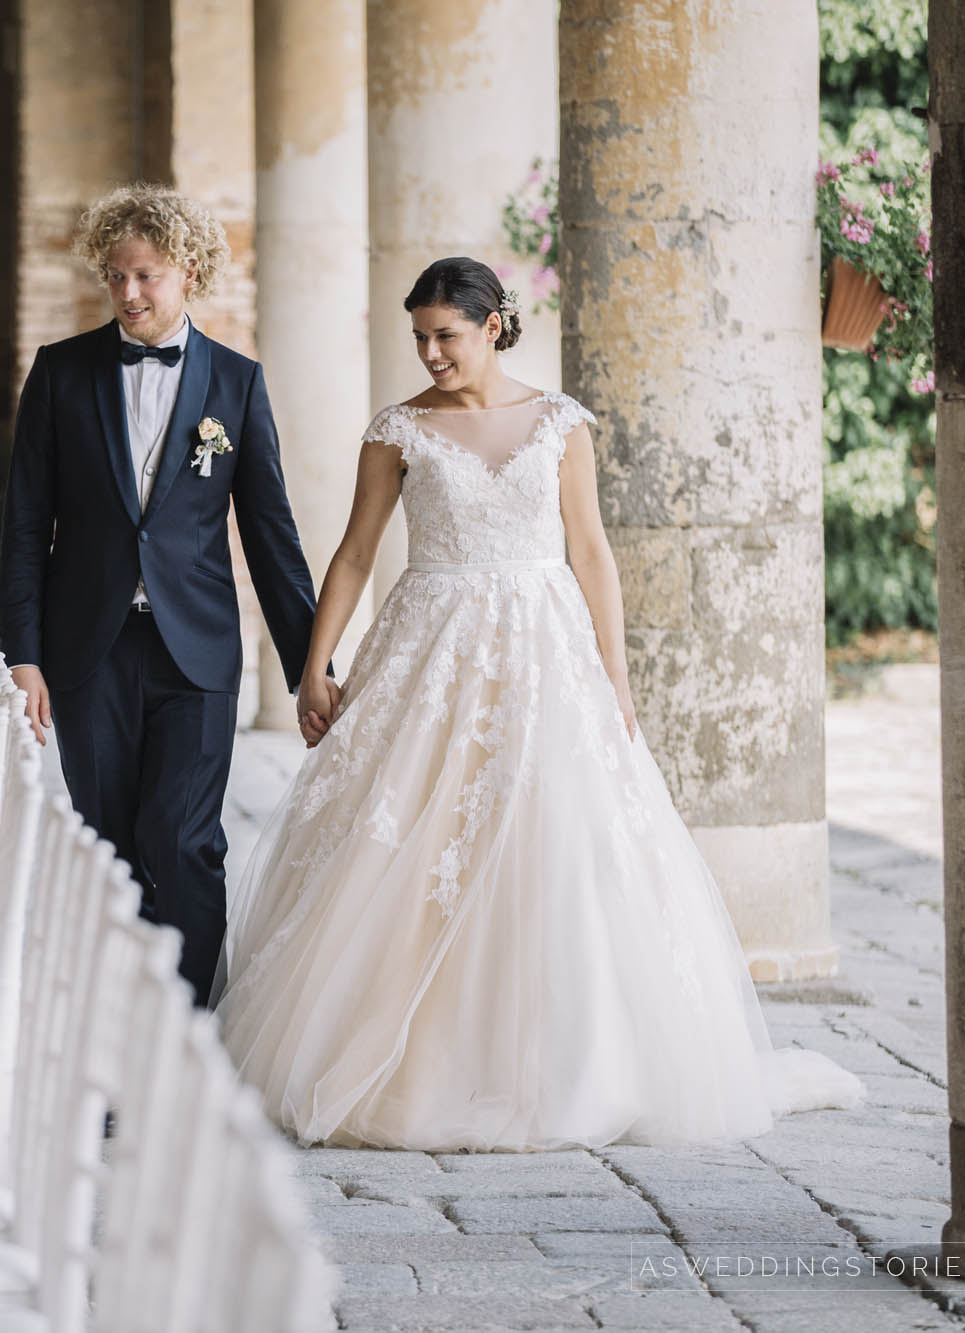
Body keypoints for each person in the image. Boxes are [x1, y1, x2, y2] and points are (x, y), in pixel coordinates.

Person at [215, 257, 864, 1151]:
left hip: (541, 645)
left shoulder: (560, 422)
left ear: (492, 325)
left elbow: (591, 551)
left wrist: (615, 674)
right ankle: (414, 1059)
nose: (430, 352)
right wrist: (316, 665)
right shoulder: (398, 430)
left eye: (445, 334)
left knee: (556, 840)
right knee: (416, 836)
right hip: (429, 647)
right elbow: (358, 552)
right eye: (419, 337)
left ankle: (573, 1064)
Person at [0, 183, 321, 1002]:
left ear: (188, 271)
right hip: (87, 652)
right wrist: (24, 654)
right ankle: (118, 1034)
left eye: (146, 276)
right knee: (109, 847)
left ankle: (183, 1031)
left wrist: (306, 667)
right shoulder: (61, 374)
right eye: (115, 276)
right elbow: (26, 525)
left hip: (199, 652)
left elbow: (272, 537)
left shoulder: (237, 385)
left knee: (183, 841)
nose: (129, 293)